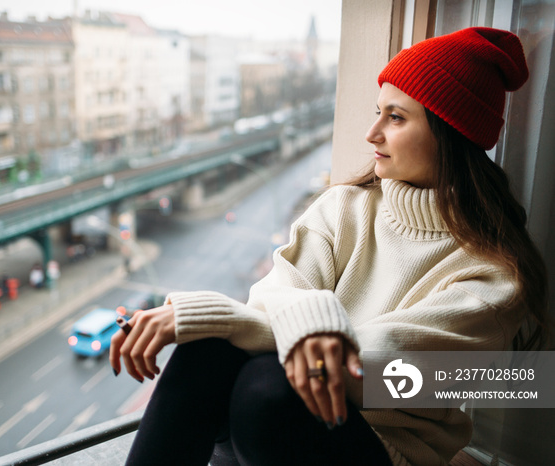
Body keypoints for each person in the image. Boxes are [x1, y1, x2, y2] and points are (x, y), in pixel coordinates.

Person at [110, 27, 548, 465]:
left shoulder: (494, 277)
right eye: (378, 112)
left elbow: (370, 373)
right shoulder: (345, 207)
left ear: (452, 132)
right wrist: (244, 327)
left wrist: (211, 316)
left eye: (395, 118)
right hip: (280, 431)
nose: (372, 133)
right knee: (207, 354)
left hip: (383, 451)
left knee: (269, 384)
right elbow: (273, 297)